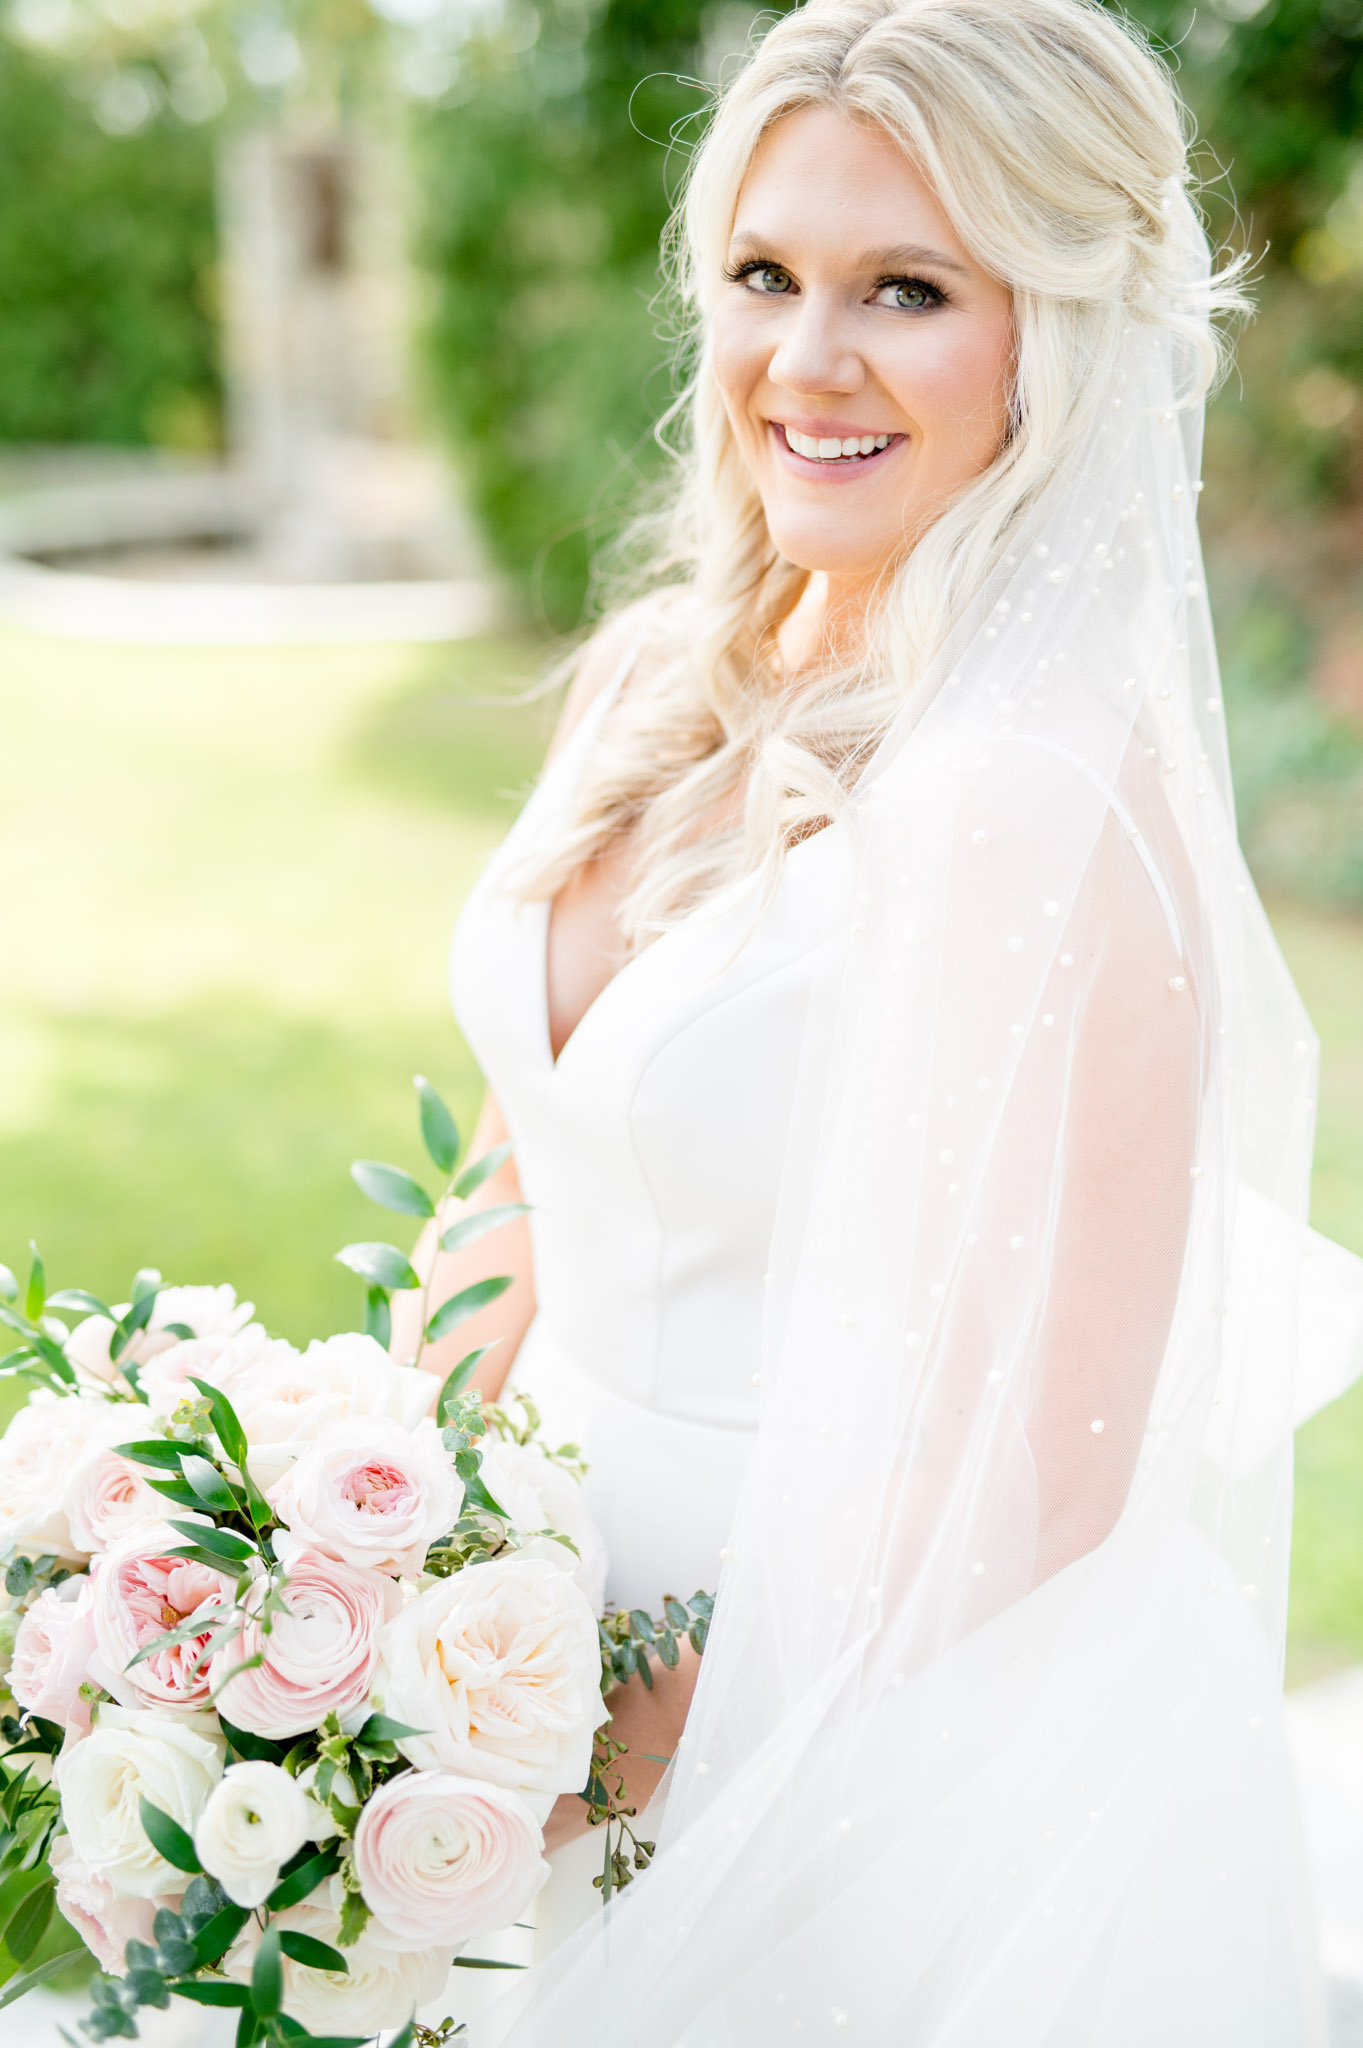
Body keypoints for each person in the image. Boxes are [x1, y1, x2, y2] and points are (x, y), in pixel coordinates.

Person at [394, 1, 1363, 2038]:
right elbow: (517, 1168)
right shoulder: (654, 672)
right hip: (503, 1635)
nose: (803, 362)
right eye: (764, 276)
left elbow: (1029, 1467)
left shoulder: (1030, 794)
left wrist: (619, 1747)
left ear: (1059, 333)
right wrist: (365, 1546)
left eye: (903, 290)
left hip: (851, 1736)